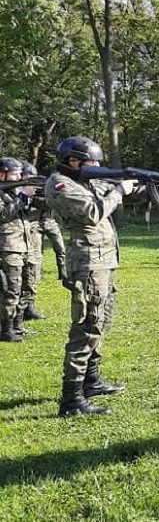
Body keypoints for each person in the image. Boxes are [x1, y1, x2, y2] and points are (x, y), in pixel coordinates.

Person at [44, 136, 136, 416]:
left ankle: (91, 382)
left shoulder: (84, 181)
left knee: (102, 322)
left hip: (103, 261)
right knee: (86, 326)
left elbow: (108, 191)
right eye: (92, 162)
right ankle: (71, 399)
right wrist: (120, 190)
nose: (97, 166)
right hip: (88, 263)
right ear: (74, 161)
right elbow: (92, 211)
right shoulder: (61, 184)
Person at [0, 157, 33, 342]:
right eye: (14, 174)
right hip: (6, 248)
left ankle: (16, 326)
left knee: (19, 289)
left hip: (20, 247)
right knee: (9, 290)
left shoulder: (14, 192)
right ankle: (6, 330)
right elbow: (3, 214)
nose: (19, 177)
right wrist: (23, 198)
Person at [20, 161, 46, 321]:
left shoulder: (38, 191)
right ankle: (18, 309)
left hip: (34, 235)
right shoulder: (11, 192)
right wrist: (24, 196)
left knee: (35, 271)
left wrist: (35, 197)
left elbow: (48, 205)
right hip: (16, 237)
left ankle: (29, 305)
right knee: (18, 274)